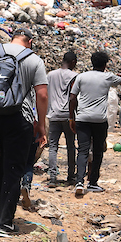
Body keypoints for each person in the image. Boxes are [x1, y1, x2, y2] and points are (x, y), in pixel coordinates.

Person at [0, 28, 48, 233]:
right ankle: (6, 221)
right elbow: (42, 95)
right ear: (29, 41)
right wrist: (41, 125)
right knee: (13, 168)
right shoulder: (34, 60)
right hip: (20, 118)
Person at [70, 50, 121, 196]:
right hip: (99, 120)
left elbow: (72, 98)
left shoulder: (81, 77)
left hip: (82, 119)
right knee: (98, 151)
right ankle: (93, 182)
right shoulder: (108, 77)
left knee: (82, 150)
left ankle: (79, 181)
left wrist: (71, 118)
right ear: (105, 64)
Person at [45, 51, 78, 186]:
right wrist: (73, 117)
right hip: (67, 115)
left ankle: (53, 177)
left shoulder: (50, 75)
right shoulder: (74, 76)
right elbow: (74, 97)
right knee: (71, 146)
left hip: (53, 114)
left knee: (53, 147)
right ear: (73, 62)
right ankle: (71, 176)